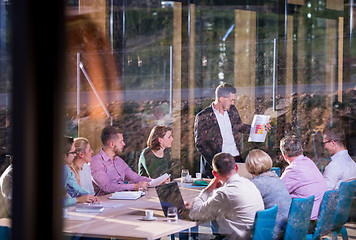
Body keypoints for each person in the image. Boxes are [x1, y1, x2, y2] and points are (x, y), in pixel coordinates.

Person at [194, 82, 271, 178]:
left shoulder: (232, 110)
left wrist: (261, 128)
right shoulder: (203, 116)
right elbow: (200, 144)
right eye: (231, 100)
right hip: (218, 163)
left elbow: (240, 127)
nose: (233, 103)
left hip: (236, 160)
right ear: (221, 99)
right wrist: (216, 164)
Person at [188, 153, 264, 240]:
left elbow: (194, 214)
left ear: (215, 174)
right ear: (236, 167)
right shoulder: (249, 183)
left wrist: (208, 190)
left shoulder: (224, 193)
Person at [279, 135, 327, 230]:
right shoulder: (309, 162)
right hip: (319, 219)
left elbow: (277, 192)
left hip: (305, 223)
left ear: (284, 155)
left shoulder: (294, 170)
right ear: (301, 150)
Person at [91, 126, 151, 195]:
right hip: (106, 202)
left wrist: (155, 181)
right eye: (121, 141)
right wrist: (134, 186)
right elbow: (107, 187)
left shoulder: (118, 160)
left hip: (123, 199)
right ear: (112, 144)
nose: (124, 144)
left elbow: (135, 178)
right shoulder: (95, 162)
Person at [245, 149, 291, 240]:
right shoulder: (276, 179)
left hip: (271, 233)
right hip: (285, 230)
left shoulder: (258, 184)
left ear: (250, 167)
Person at [63, 136, 99, 207]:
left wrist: (90, 196)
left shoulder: (65, 169)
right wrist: (78, 200)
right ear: (63, 156)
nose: (75, 155)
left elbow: (76, 188)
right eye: (73, 152)